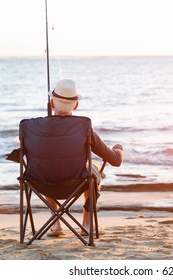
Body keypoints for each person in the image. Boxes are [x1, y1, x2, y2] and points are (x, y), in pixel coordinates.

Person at [47, 79, 124, 236]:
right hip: (77, 182)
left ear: (52, 103)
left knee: (46, 166)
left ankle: (55, 223)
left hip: (42, 183)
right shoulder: (84, 127)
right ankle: (87, 224)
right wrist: (119, 149)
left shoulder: (32, 128)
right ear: (76, 105)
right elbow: (115, 160)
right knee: (92, 167)